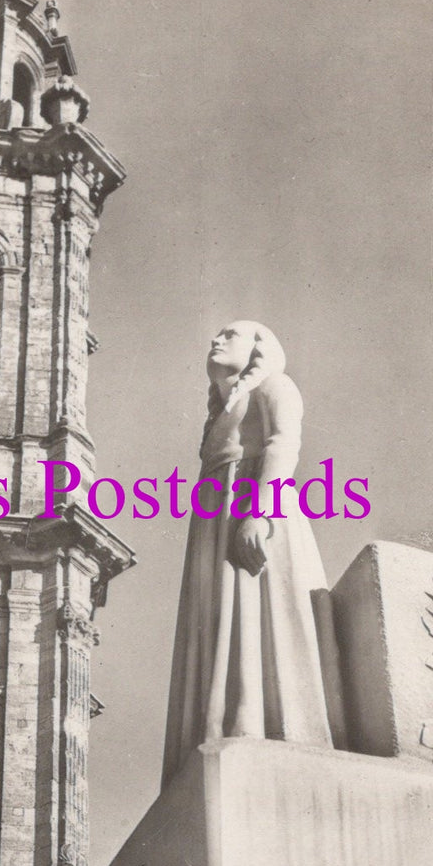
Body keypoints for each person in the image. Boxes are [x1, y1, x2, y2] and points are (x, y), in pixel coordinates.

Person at [161, 320, 333, 786]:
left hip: (252, 509)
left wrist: (261, 512)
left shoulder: (275, 385)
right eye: (215, 334)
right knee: (217, 622)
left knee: (253, 617)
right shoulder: (222, 413)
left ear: (259, 347)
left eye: (230, 334)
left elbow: (283, 444)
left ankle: (254, 722)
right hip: (214, 520)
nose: (216, 340)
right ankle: (215, 728)